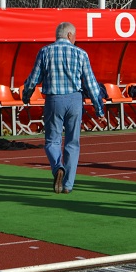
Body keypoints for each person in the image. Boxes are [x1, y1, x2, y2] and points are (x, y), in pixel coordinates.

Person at [22, 22, 105, 194]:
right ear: (69, 35)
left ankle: (57, 167)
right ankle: (68, 185)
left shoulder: (45, 51)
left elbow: (33, 79)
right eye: (75, 36)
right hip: (75, 100)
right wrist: (99, 110)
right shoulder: (81, 53)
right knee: (72, 143)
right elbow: (92, 85)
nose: (75, 39)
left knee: (52, 141)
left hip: (54, 100)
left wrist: (26, 95)